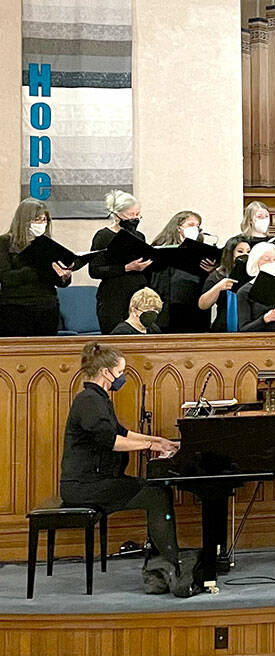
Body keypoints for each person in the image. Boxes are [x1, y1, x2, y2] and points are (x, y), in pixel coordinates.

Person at [59, 343, 183, 593]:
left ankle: (162, 567)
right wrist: (149, 445)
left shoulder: (98, 399)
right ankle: (169, 565)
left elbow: (120, 431)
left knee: (157, 490)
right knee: (157, 494)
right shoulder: (89, 402)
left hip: (97, 482)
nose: (123, 377)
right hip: (84, 487)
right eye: (121, 371)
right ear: (106, 372)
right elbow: (111, 441)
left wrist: (157, 440)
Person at [0, 198, 72, 336]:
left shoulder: (48, 245)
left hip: (46, 308)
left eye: (44, 220)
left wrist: (64, 276)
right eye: (37, 220)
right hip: (15, 309)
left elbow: (59, 282)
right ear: (24, 221)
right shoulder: (4, 243)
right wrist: (37, 268)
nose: (42, 224)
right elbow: (6, 278)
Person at [90, 190, 152, 334]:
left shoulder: (139, 236)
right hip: (113, 298)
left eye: (138, 214)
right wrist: (127, 268)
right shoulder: (103, 236)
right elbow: (95, 270)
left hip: (137, 296)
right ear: (117, 215)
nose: (135, 218)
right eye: (131, 215)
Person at [149, 210, 215, 333]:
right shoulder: (160, 248)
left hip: (194, 305)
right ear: (178, 227)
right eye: (191, 225)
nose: (195, 229)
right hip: (168, 305)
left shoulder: (201, 250)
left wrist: (212, 270)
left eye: (198, 226)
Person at [200, 238, 250, 333]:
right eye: (240, 251)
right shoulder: (217, 276)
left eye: (248, 252)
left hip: (249, 328)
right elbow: (203, 305)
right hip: (223, 328)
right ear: (230, 254)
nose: (245, 255)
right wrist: (218, 287)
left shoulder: (253, 275)